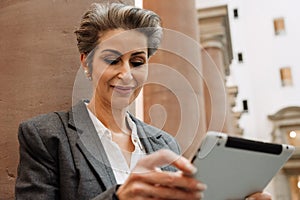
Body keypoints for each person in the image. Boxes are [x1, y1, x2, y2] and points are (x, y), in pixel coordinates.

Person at [15, 3, 272, 200]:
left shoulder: (165, 143)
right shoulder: (46, 136)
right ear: (87, 62)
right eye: (113, 60)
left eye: (137, 62)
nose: (126, 74)